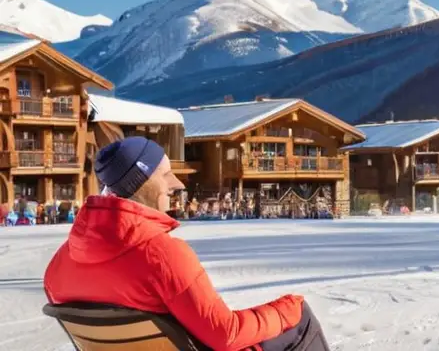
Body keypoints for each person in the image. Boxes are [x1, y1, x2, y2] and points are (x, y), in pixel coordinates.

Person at [44, 137, 330, 351]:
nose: (177, 184)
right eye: (165, 174)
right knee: (300, 320)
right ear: (140, 182)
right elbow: (225, 335)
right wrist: (288, 309)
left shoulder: (59, 267)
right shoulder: (159, 254)